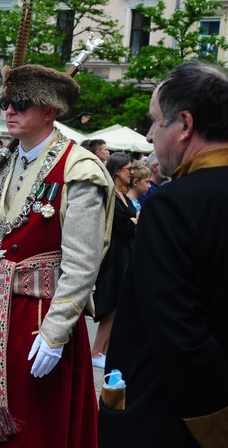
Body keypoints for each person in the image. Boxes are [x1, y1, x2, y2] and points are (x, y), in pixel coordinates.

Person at [0, 64, 113, 447]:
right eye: (7, 102)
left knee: (35, 428)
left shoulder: (80, 169)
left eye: (20, 103)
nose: (9, 111)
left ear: (49, 112)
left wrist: (56, 334)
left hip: (40, 320)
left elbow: (82, 263)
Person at [99, 61, 228, 447]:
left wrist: (218, 426)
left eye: (156, 121)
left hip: (174, 419)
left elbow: (180, 334)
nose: (152, 134)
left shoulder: (173, 204)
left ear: (185, 124)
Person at [90, 152, 138, 369]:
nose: (132, 173)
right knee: (110, 303)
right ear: (117, 170)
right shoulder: (109, 193)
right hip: (112, 256)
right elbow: (123, 223)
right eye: (129, 169)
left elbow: (130, 223)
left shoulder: (123, 196)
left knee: (118, 304)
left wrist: (132, 221)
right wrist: (133, 221)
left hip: (125, 254)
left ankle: (104, 350)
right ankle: (97, 350)